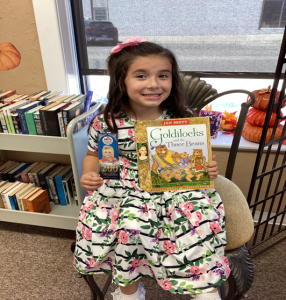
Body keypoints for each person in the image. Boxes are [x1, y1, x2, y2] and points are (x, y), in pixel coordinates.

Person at [75, 36, 229, 300]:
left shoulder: (183, 118)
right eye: (141, 76)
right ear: (121, 80)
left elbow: (200, 157)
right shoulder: (107, 122)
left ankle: (203, 282)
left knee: (197, 226)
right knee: (127, 227)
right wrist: (89, 172)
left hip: (175, 188)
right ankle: (129, 289)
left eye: (163, 75)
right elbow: (93, 155)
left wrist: (209, 167)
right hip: (122, 189)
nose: (154, 84)